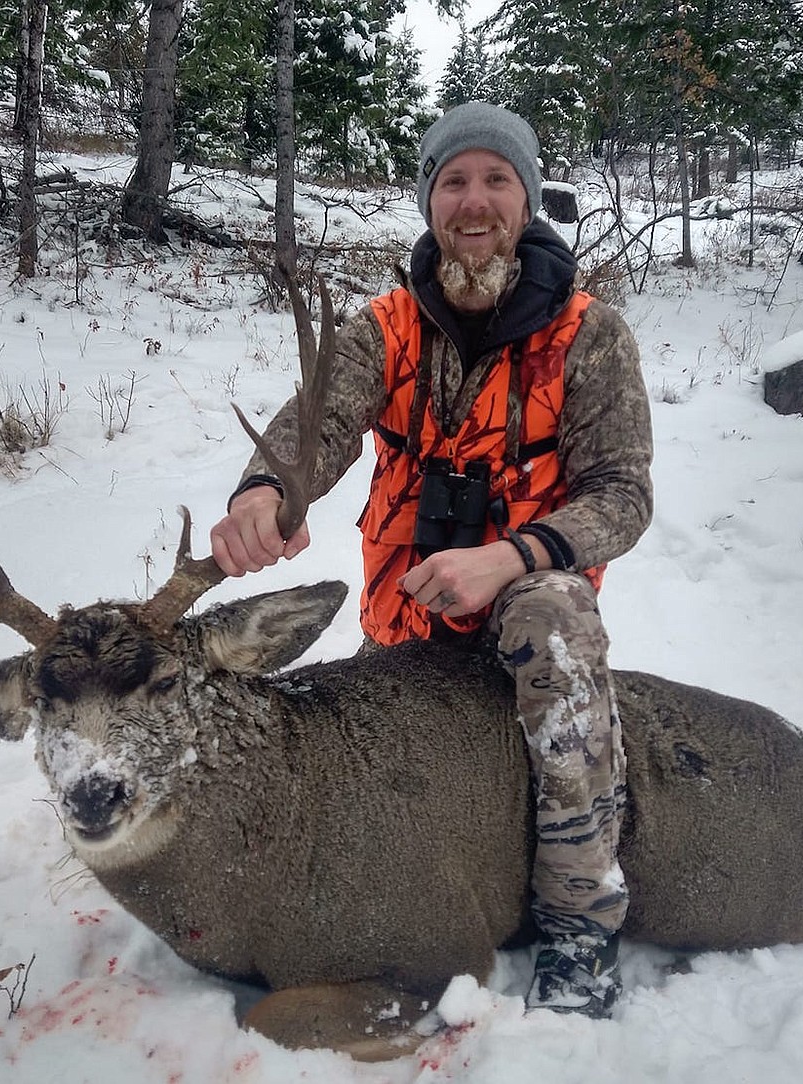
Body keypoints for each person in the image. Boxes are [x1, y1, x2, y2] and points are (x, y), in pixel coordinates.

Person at [209, 102, 653, 1019]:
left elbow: (624, 496)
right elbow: (316, 426)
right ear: (429, 201)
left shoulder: (588, 335)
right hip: (401, 635)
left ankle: (578, 924)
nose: (474, 201)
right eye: (454, 181)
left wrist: (512, 558)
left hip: (526, 642)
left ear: (527, 201)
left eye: (496, 179)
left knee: (551, 609)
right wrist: (265, 496)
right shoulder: (386, 328)